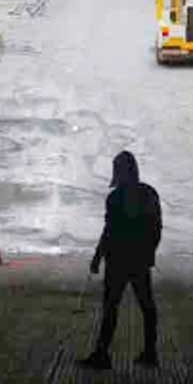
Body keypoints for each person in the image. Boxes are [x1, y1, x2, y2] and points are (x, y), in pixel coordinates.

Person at [80, 151, 162, 370]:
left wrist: (98, 257)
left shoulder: (114, 198)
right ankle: (151, 352)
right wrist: (148, 253)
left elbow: (109, 231)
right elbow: (156, 229)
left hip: (117, 260)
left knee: (110, 308)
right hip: (140, 261)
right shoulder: (149, 194)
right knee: (147, 306)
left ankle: (102, 353)